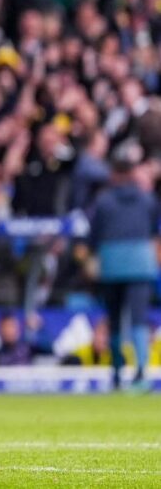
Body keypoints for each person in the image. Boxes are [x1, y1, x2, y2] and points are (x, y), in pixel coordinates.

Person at [87, 148, 159, 390]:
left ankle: (117, 374)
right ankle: (141, 373)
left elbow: (93, 236)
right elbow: (153, 229)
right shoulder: (147, 198)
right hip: (141, 264)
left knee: (115, 321)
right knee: (138, 319)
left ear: (114, 174)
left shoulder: (103, 201)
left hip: (112, 265)